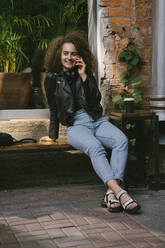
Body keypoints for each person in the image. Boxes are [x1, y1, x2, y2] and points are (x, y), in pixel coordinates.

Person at [40, 31, 141, 214]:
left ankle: (111, 194)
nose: (69, 57)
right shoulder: (52, 78)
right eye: (65, 53)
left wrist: (85, 76)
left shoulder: (85, 72)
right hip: (76, 126)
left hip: (97, 120)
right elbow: (54, 109)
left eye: (73, 53)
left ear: (79, 55)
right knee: (95, 147)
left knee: (121, 140)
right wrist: (52, 135)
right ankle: (120, 192)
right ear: (59, 54)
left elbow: (95, 99)